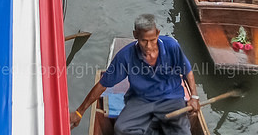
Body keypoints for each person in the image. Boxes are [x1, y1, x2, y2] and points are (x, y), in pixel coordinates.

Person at [69, 14, 199, 134]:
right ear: (135, 35)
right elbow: (103, 85)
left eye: (152, 40)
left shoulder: (171, 46)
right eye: (144, 41)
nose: (148, 46)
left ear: (158, 33)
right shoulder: (125, 56)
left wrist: (194, 97)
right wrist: (79, 112)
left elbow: (187, 71)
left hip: (171, 99)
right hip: (141, 100)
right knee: (121, 128)